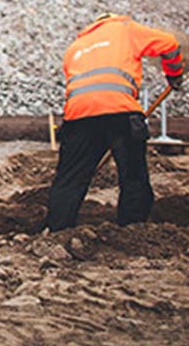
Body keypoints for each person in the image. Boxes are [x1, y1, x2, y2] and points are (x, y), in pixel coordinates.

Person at [45, 13, 184, 232]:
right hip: (120, 111)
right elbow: (169, 44)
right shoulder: (124, 28)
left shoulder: (76, 46)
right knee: (133, 175)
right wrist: (174, 74)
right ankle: (133, 230)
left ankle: (57, 230)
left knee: (69, 179)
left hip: (79, 115)